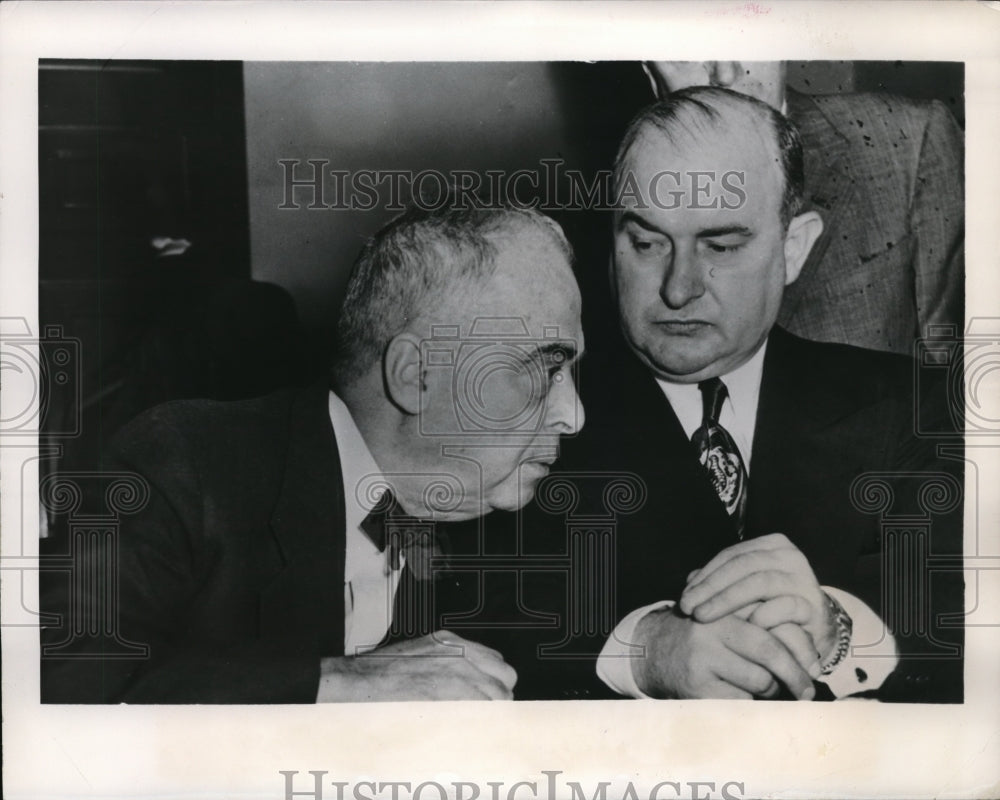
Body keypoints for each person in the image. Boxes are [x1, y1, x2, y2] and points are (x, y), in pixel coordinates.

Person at [39, 204, 586, 703]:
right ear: (418, 375)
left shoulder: (499, 514)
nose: (574, 414)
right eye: (546, 367)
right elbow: (61, 692)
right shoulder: (179, 465)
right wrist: (340, 685)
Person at [523, 86, 962, 702]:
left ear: (793, 247)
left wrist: (839, 633)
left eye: (721, 247)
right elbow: (450, 614)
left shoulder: (911, 410)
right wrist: (640, 652)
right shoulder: (528, 416)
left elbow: (964, 630)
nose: (679, 289)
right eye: (647, 243)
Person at [642, 61, 964, 356]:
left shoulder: (908, 142)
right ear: (649, 69)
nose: (725, 74)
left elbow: (952, 381)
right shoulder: (615, 201)